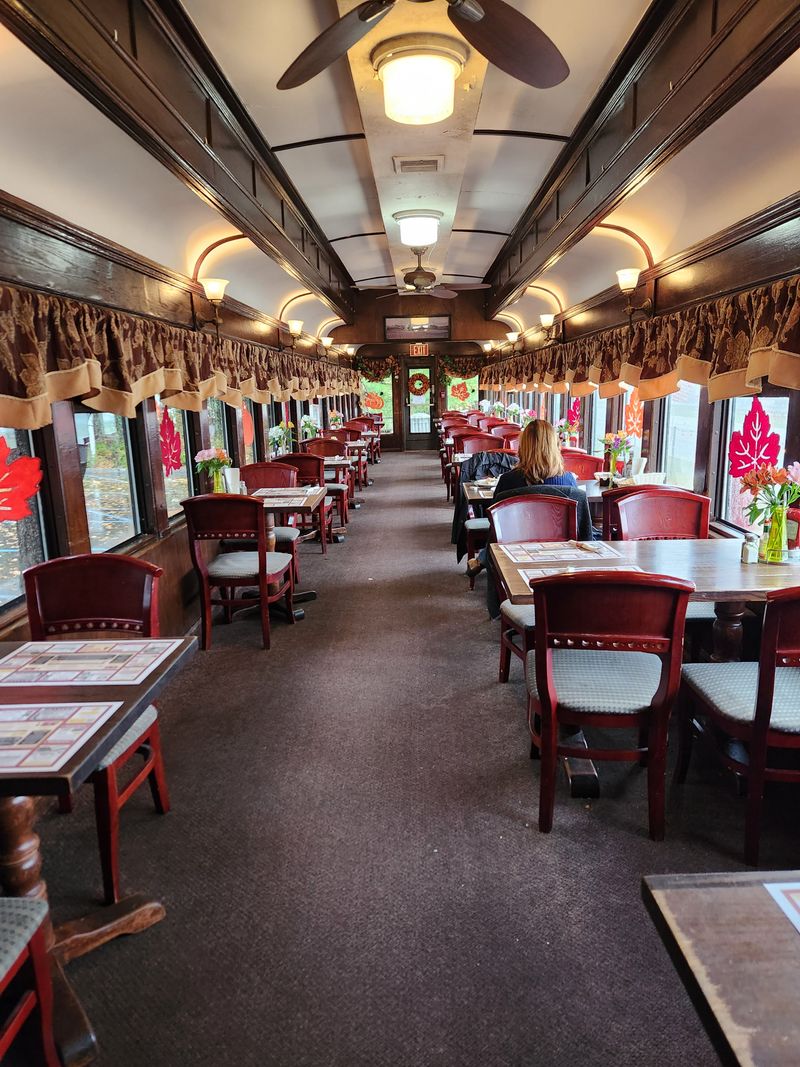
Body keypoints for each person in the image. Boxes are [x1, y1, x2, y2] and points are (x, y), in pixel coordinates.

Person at [466, 419, 579, 579]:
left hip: (515, 553)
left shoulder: (507, 481)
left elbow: (495, 523)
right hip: (561, 555)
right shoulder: (569, 482)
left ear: (523, 447)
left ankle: (482, 559)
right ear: (555, 447)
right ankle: (482, 558)